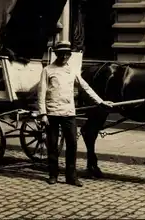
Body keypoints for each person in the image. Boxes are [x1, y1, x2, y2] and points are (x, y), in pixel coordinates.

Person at [37, 41, 113, 187]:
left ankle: (71, 177)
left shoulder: (72, 71)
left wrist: (101, 102)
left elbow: (86, 87)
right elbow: (41, 93)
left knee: (72, 144)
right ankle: (53, 174)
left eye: (67, 54)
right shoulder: (47, 70)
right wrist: (43, 114)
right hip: (52, 113)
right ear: (57, 54)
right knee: (52, 145)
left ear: (69, 55)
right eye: (61, 54)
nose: (64, 56)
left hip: (69, 113)